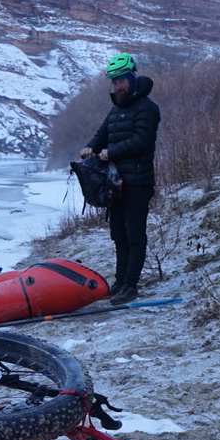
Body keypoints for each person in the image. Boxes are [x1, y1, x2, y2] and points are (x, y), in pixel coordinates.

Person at [80, 53, 159, 304]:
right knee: (119, 235)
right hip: (115, 184)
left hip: (138, 182)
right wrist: (90, 147)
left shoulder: (147, 108)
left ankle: (131, 285)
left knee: (134, 235)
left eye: (122, 80)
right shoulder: (115, 111)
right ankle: (119, 282)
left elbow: (141, 141)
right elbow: (101, 135)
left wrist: (111, 152)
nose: (118, 86)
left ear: (132, 78)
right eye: (114, 82)